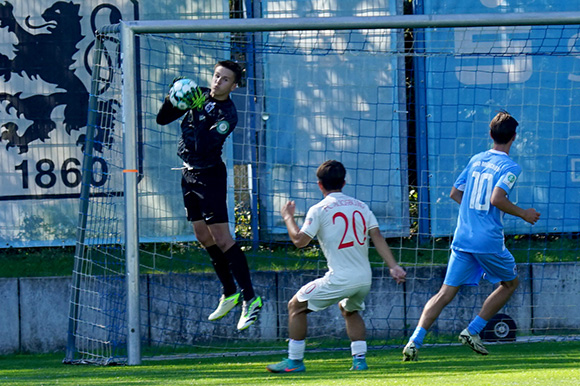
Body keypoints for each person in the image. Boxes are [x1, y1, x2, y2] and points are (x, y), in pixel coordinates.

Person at [402, 111, 541, 361]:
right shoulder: (510, 167)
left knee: (445, 293)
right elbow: (497, 199)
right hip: (487, 240)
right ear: (514, 138)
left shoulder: (476, 159)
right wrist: (523, 214)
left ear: (490, 135)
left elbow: (455, 193)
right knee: (510, 284)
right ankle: (473, 330)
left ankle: (414, 341)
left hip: (463, 237)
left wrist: (472, 214)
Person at [267, 160, 407, 373]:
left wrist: (288, 217)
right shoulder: (361, 206)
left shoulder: (319, 209)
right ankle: (359, 361)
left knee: (295, 306)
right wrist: (394, 266)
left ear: (319, 185)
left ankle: (294, 361)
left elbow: (299, 241)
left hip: (341, 278)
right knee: (349, 310)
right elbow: (376, 235)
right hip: (364, 278)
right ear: (344, 182)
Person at [156, 60, 262, 331]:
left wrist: (197, 111)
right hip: (188, 174)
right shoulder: (199, 94)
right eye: (216, 76)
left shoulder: (227, 115)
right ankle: (229, 293)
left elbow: (203, 146)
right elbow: (162, 118)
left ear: (234, 86)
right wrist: (174, 97)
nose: (217, 82)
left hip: (210, 176)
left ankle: (250, 298)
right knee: (202, 236)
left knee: (223, 238)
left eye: (225, 79)